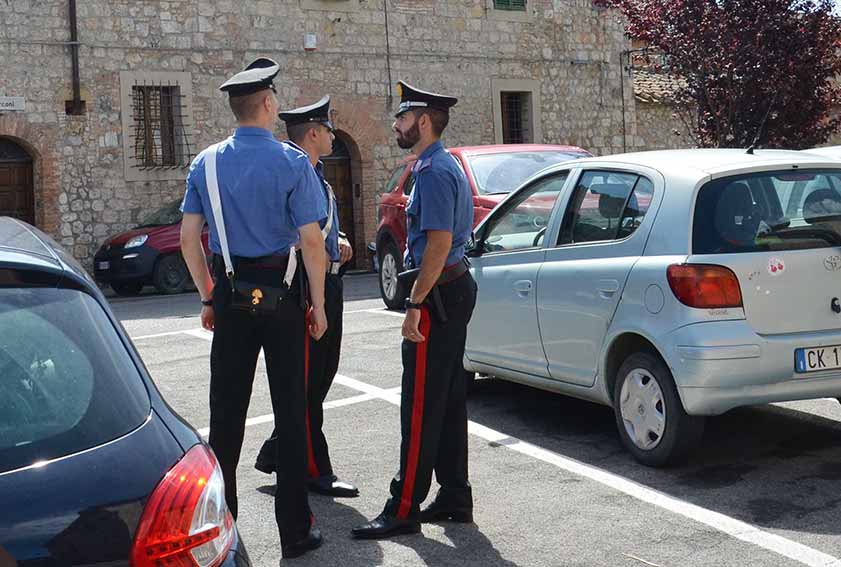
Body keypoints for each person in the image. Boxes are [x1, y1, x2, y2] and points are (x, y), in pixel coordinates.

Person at [179, 57, 328, 559]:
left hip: (231, 296)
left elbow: (187, 239)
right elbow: (312, 242)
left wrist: (207, 295)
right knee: (290, 413)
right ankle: (295, 531)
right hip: (285, 297)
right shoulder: (291, 162)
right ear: (266, 104)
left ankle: (222, 528)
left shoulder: (207, 162)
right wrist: (321, 305)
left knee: (226, 418)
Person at [352, 80, 477, 539]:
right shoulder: (437, 165)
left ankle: (405, 506)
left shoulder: (434, 171)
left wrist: (415, 305)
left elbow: (439, 244)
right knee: (446, 402)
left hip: (439, 295)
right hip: (451, 289)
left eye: (403, 118)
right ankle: (454, 495)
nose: (396, 124)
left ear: (424, 122)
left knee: (421, 405)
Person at [254, 95, 359, 498]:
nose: (333, 134)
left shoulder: (314, 174)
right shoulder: (296, 172)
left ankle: (279, 452)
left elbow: (315, 228)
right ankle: (314, 469)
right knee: (311, 380)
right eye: (329, 129)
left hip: (326, 279)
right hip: (306, 284)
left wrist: (340, 239)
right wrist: (316, 296)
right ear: (313, 133)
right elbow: (292, 234)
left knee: (317, 377)